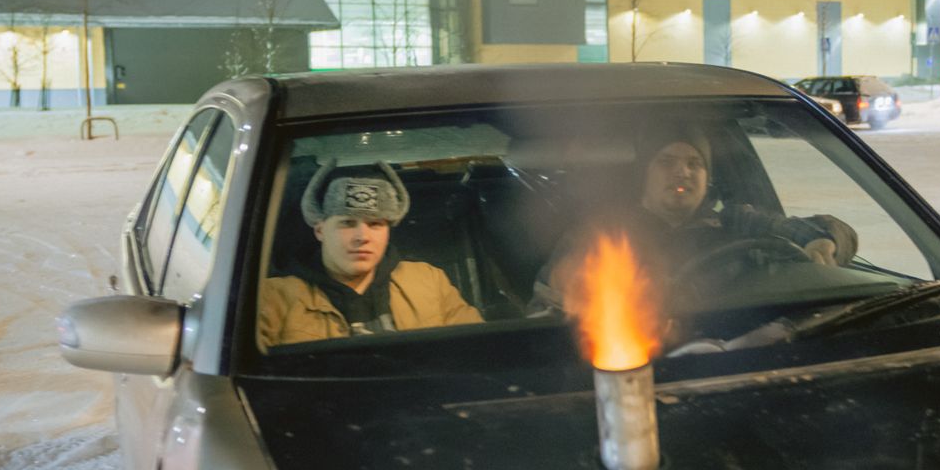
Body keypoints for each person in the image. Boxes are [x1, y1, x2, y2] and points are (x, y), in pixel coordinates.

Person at [530, 123, 857, 312]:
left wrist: (821, 239)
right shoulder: (601, 235)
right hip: (638, 369)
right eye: (666, 161)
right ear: (645, 174)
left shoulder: (734, 221)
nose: (682, 172)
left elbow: (826, 230)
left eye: (694, 163)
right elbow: (547, 309)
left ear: (707, 177)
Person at [258, 159, 482, 347]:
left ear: (388, 231)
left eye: (375, 224)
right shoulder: (273, 299)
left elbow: (478, 352)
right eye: (347, 223)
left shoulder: (429, 282)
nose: (362, 236)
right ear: (320, 230)